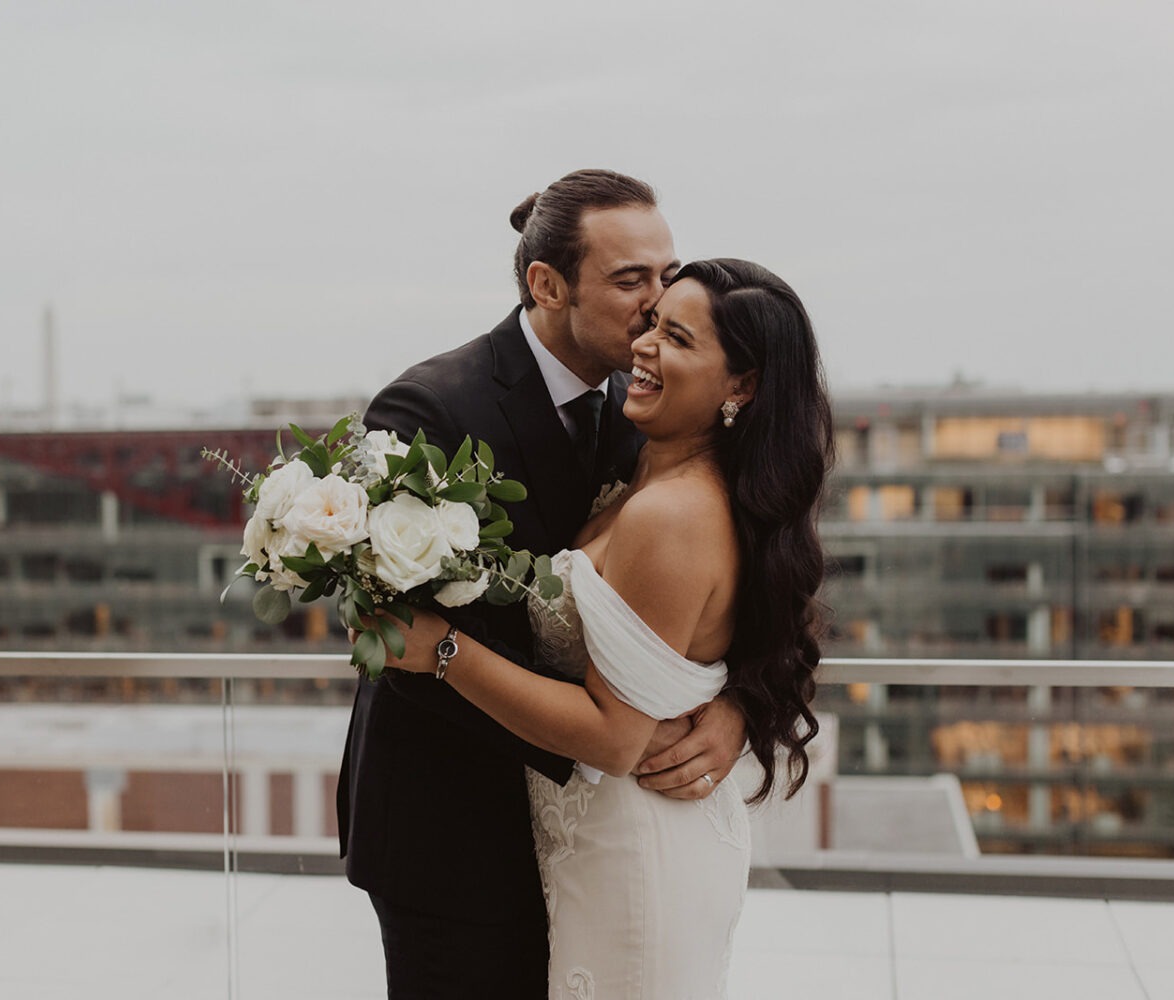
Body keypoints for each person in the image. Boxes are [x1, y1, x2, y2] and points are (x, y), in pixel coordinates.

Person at [335, 169, 751, 998]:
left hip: (603, 837)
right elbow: (401, 643)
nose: (656, 304)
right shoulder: (428, 410)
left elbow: (758, 572)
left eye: (667, 276)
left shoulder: (660, 408)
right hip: (454, 834)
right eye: (630, 280)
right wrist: (607, 736)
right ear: (547, 284)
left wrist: (738, 705)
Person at [384, 257, 833, 998]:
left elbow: (616, 737)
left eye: (679, 339)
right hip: (588, 841)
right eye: (653, 324)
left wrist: (442, 648)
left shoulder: (673, 511)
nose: (645, 347)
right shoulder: (646, 466)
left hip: (637, 844)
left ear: (742, 387)